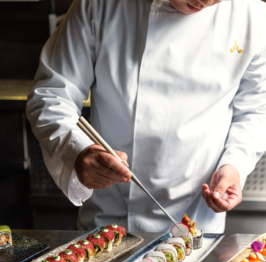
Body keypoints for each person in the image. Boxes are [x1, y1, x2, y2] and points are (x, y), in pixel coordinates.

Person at [26, 0, 266, 233]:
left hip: (197, 222)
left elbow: (256, 110)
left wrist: (234, 164)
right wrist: (76, 151)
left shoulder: (252, 16)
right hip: (111, 219)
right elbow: (52, 94)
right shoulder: (100, 4)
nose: (206, 1)